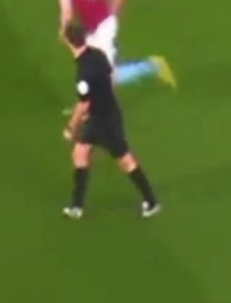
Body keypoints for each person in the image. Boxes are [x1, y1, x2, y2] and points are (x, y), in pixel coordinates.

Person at [62, 22, 161, 219]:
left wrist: (71, 127)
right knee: (80, 152)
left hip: (106, 121)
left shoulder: (83, 74)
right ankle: (77, 206)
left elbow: (84, 104)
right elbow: (107, 79)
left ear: (69, 42)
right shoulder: (97, 54)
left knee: (125, 160)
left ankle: (151, 202)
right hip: (101, 114)